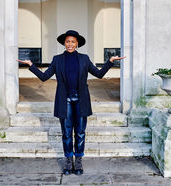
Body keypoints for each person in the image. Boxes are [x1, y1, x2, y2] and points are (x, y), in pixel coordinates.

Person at [17, 30, 125, 175]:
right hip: (65, 100)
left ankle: (78, 161)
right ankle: (68, 161)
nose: (70, 44)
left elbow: (99, 74)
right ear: (64, 43)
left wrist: (110, 62)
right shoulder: (57, 59)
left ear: (77, 43)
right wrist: (31, 65)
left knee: (80, 132)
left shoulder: (84, 59)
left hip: (81, 100)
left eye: (73, 42)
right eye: (68, 41)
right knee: (67, 133)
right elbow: (44, 77)